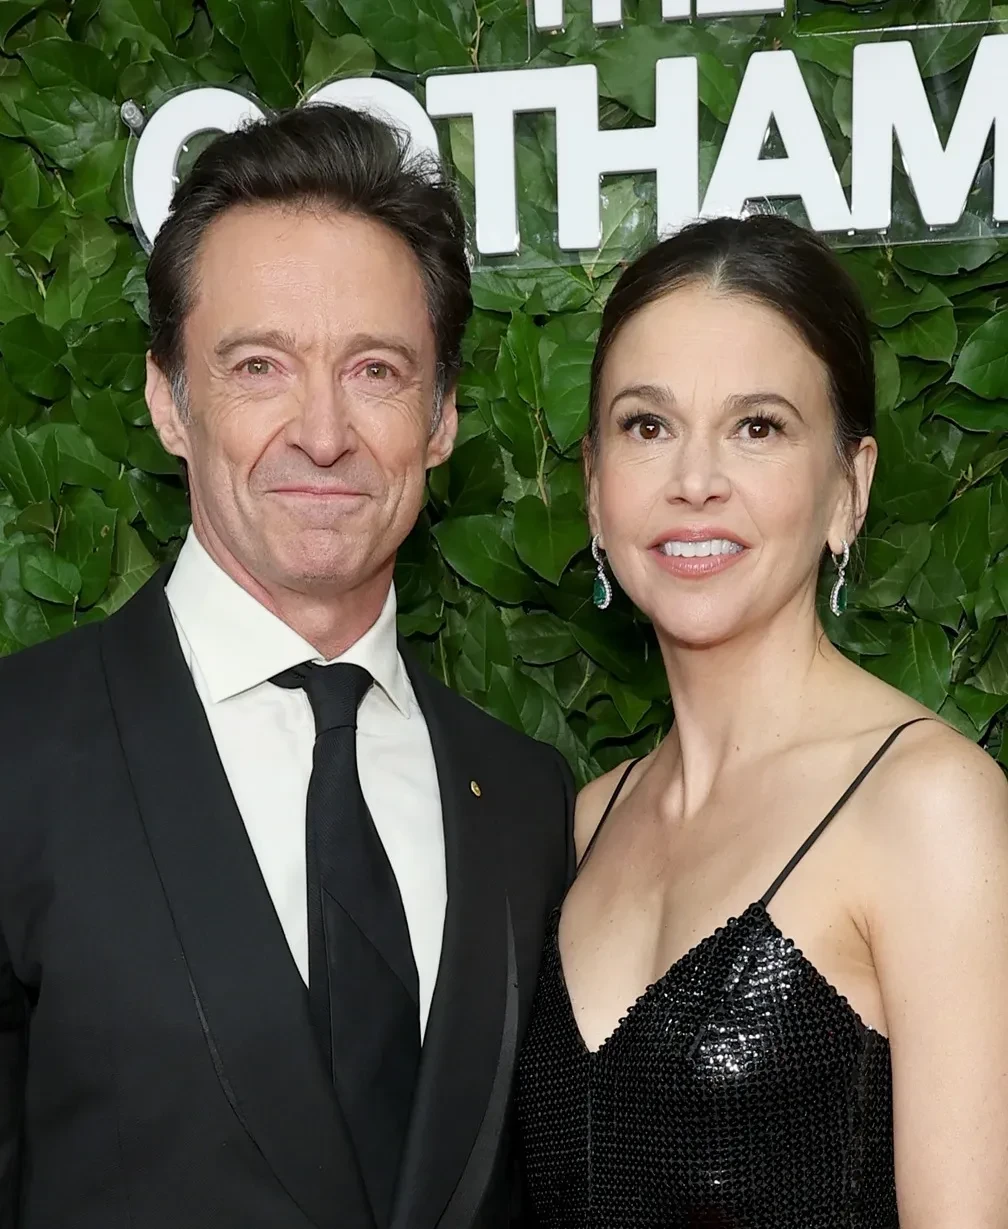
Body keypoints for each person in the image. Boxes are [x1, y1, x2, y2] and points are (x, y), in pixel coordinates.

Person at [0, 104, 574, 1229]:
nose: (323, 432)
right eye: (260, 365)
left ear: (442, 417)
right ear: (169, 400)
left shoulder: (524, 798)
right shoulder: (16, 756)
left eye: (376, 369)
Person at [515, 215, 1008, 1227]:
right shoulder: (587, 820)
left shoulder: (929, 807)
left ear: (849, 487)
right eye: (647, 426)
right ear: (595, 491)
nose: (695, 480)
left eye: (758, 426)